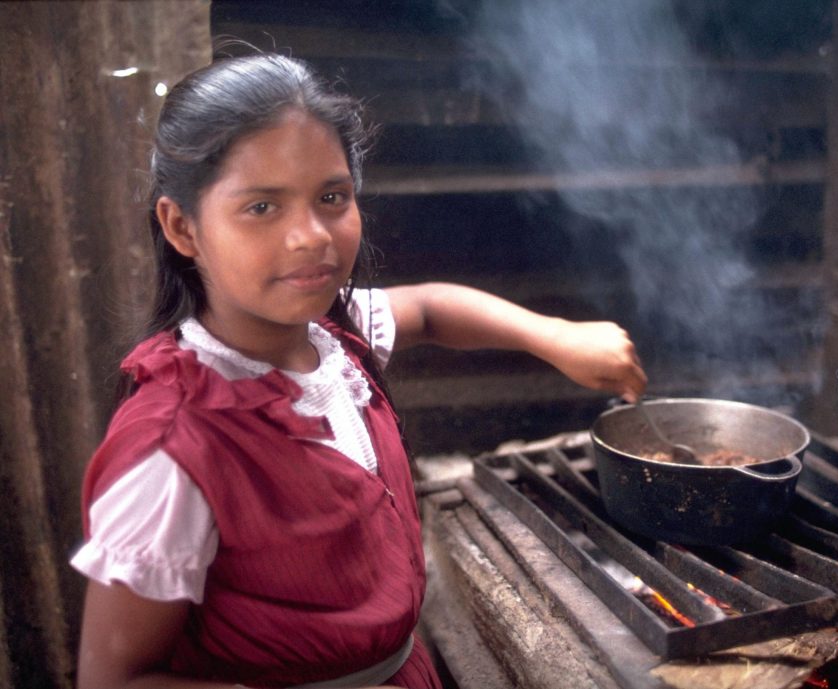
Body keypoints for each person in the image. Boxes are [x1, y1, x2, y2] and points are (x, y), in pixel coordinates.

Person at [71, 52, 647, 689]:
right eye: (262, 207)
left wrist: (556, 337)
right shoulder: (172, 451)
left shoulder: (333, 335)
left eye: (331, 197)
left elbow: (429, 308)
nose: (311, 236)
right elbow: (115, 680)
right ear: (182, 227)